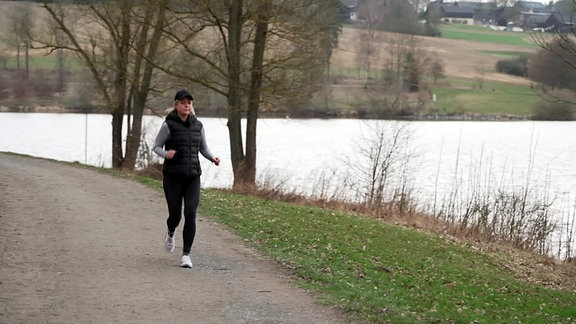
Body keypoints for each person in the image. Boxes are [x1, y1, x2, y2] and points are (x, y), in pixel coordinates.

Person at [153, 89, 220, 268]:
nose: (186, 105)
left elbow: (203, 148)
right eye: (183, 102)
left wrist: (212, 158)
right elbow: (156, 147)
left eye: (189, 103)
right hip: (173, 177)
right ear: (176, 105)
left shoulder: (198, 125)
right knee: (175, 215)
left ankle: (186, 255)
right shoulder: (168, 125)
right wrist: (166, 154)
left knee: (190, 213)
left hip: (192, 177)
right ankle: (170, 231)